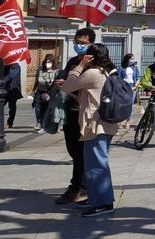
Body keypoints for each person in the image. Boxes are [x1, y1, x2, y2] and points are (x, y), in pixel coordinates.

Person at [60, 43, 118, 217]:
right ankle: (96, 197)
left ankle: (103, 203)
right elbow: (85, 94)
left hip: (96, 125)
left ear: (90, 57)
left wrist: (79, 66)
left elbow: (68, 86)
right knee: (95, 163)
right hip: (103, 124)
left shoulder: (93, 72)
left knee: (97, 165)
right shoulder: (106, 71)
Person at [53, 27, 95, 205]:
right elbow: (67, 78)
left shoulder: (94, 63)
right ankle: (84, 184)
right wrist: (59, 82)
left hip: (85, 112)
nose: (79, 46)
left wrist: (70, 86)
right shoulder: (72, 61)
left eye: (83, 43)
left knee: (79, 153)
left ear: (91, 43)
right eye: (77, 42)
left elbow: (92, 85)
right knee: (73, 150)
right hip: (70, 111)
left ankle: (76, 188)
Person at [33, 54, 59, 132]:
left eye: (50, 62)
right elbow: (39, 80)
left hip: (51, 92)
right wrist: (49, 81)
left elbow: (55, 81)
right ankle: (41, 124)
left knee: (51, 110)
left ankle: (51, 125)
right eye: (47, 62)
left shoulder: (56, 70)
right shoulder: (41, 69)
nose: (48, 63)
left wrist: (48, 81)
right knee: (40, 109)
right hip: (41, 92)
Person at [119, 53, 140, 129]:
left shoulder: (135, 67)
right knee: (122, 104)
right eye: (131, 58)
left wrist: (135, 86)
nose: (132, 60)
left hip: (132, 87)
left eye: (133, 58)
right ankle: (120, 121)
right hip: (124, 86)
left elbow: (138, 78)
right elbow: (119, 78)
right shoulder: (121, 67)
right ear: (127, 59)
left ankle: (128, 121)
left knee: (130, 105)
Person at [3, 62, 22, 128]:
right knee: (0, 106)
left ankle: (10, 123)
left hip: (13, 90)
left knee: (12, 107)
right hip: (5, 89)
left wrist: (2, 80)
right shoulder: (5, 66)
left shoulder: (16, 66)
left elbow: (11, 76)